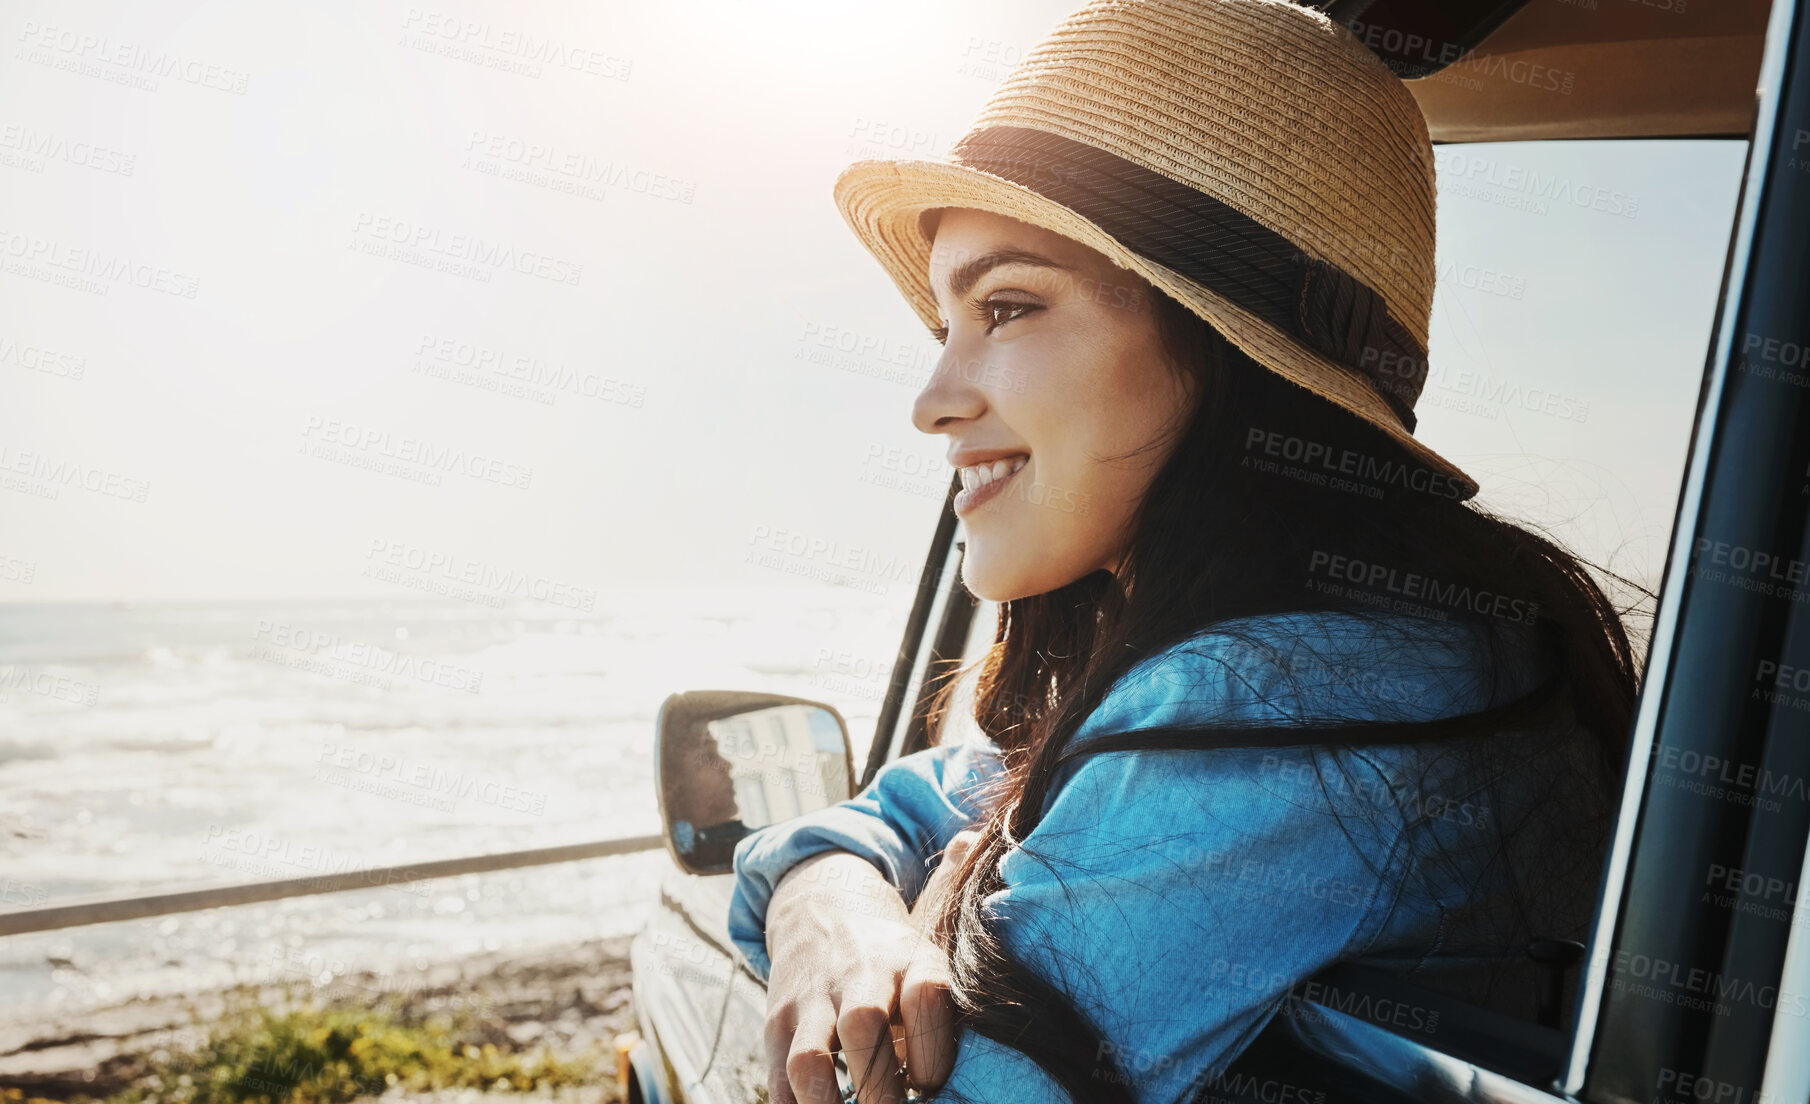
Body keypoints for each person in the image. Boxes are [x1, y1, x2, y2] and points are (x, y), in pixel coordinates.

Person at [727, 1, 1639, 1101]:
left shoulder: (1283, 695)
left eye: (1007, 308)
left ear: (1222, 354)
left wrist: (921, 908)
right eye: (942, 328)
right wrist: (826, 902)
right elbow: (930, 798)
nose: (931, 402)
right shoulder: (1385, 651)